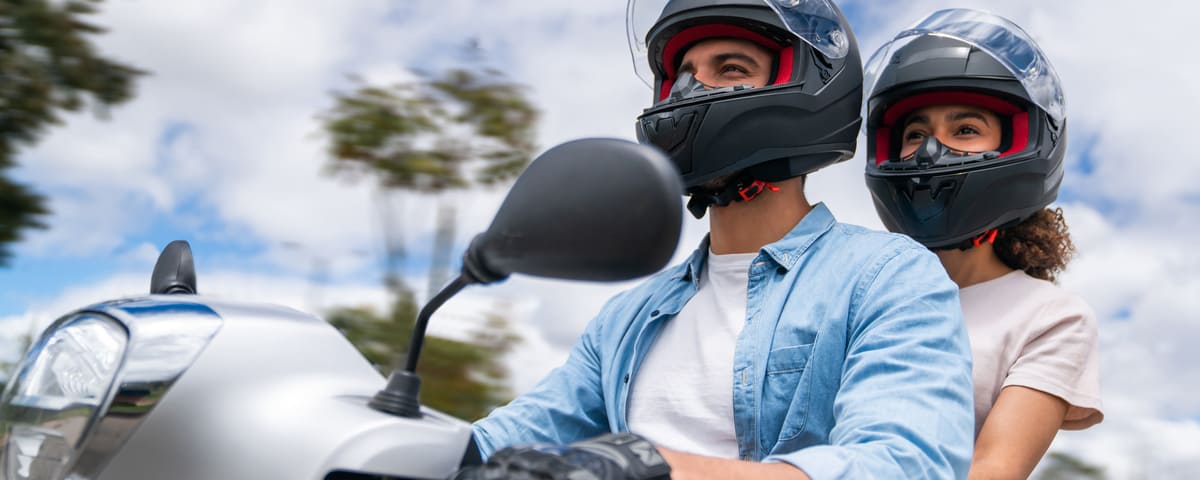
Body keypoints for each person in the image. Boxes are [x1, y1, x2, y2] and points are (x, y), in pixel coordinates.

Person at [469, 1, 975, 478]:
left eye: (730, 69)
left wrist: (654, 466)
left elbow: (905, 461)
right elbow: (506, 437)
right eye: (681, 75)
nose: (688, 91)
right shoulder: (629, 315)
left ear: (806, 88)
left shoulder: (885, 276)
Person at [862, 9, 1104, 479]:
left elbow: (993, 468)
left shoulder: (1049, 317)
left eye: (965, 130)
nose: (931, 151)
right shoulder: (858, 290)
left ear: (1018, 144)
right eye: (915, 134)